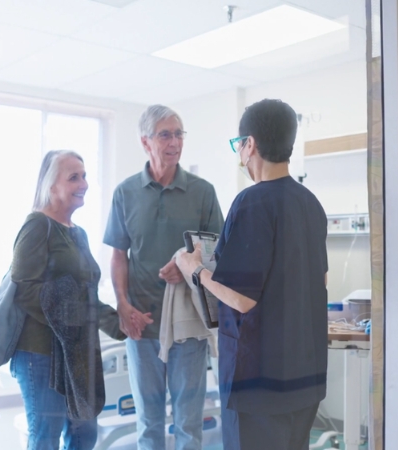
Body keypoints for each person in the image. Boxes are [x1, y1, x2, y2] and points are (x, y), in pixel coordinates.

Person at [177, 99, 329, 450]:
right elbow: (319, 282)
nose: (241, 154)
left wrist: (195, 269)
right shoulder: (311, 204)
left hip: (260, 382)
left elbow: (242, 298)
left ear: (250, 144)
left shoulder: (252, 202)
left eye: (239, 145)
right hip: (305, 377)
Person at [104, 105, 224, 449]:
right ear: (146, 143)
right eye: (165, 135)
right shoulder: (125, 193)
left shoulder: (202, 192)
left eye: (179, 134)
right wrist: (122, 305)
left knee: (189, 424)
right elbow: (118, 254)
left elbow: (218, 250)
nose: (174, 142)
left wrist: (186, 264)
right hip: (142, 325)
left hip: (188, 324)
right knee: (149, 423)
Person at [9, 150, 125, 450]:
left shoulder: (79, 234)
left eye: (84, 175)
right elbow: (25, 289)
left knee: (84, 434)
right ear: (51, 185)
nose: (83, 183)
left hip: (77, 354)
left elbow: (86, 297)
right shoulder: (37, 226)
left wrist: (123, 324)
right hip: (41, 353)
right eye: (74, 177)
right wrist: (72, 317)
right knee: (45, 435)